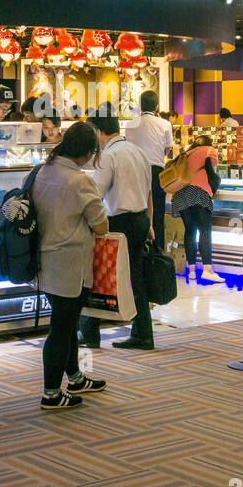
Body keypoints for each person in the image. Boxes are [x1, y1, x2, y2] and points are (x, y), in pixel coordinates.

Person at [29, 122, 109, 410]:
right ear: (88, 153)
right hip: (70, 264)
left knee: (66, 323)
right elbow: (101, 225)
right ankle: (51, 392)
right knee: (61, 329)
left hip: (43, 260)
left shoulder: (40, 171)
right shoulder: (80, 181)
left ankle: (74, 377)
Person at [81, 105, 155, 350]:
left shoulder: (108, 156)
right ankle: (143, 333)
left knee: (96, 276)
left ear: (98, 131)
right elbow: (149, 192)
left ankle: (90, 333)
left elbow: (95, 195)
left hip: (117, 223)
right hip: (140, 220)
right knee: (137, 278)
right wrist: (150, 222)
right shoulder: (138, 151)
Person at [127, 89, 175, 244]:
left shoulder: (131, 124)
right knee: (158, 214)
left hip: (135, 172)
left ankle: (138, 249)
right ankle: (158, 251)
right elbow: (167, 150)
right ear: (157, 107)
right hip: (156, 172)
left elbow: (128, 147)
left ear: (140, 106)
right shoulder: (166, 124)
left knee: (137, 212)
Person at [172, 134, 222, 282]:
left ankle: (192, 270)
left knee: (190, 231)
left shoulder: (187, 153)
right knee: (205, 230)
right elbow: (213, 170)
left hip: (181, 194)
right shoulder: (209, 150)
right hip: (199, 192)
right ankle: (207, 269)